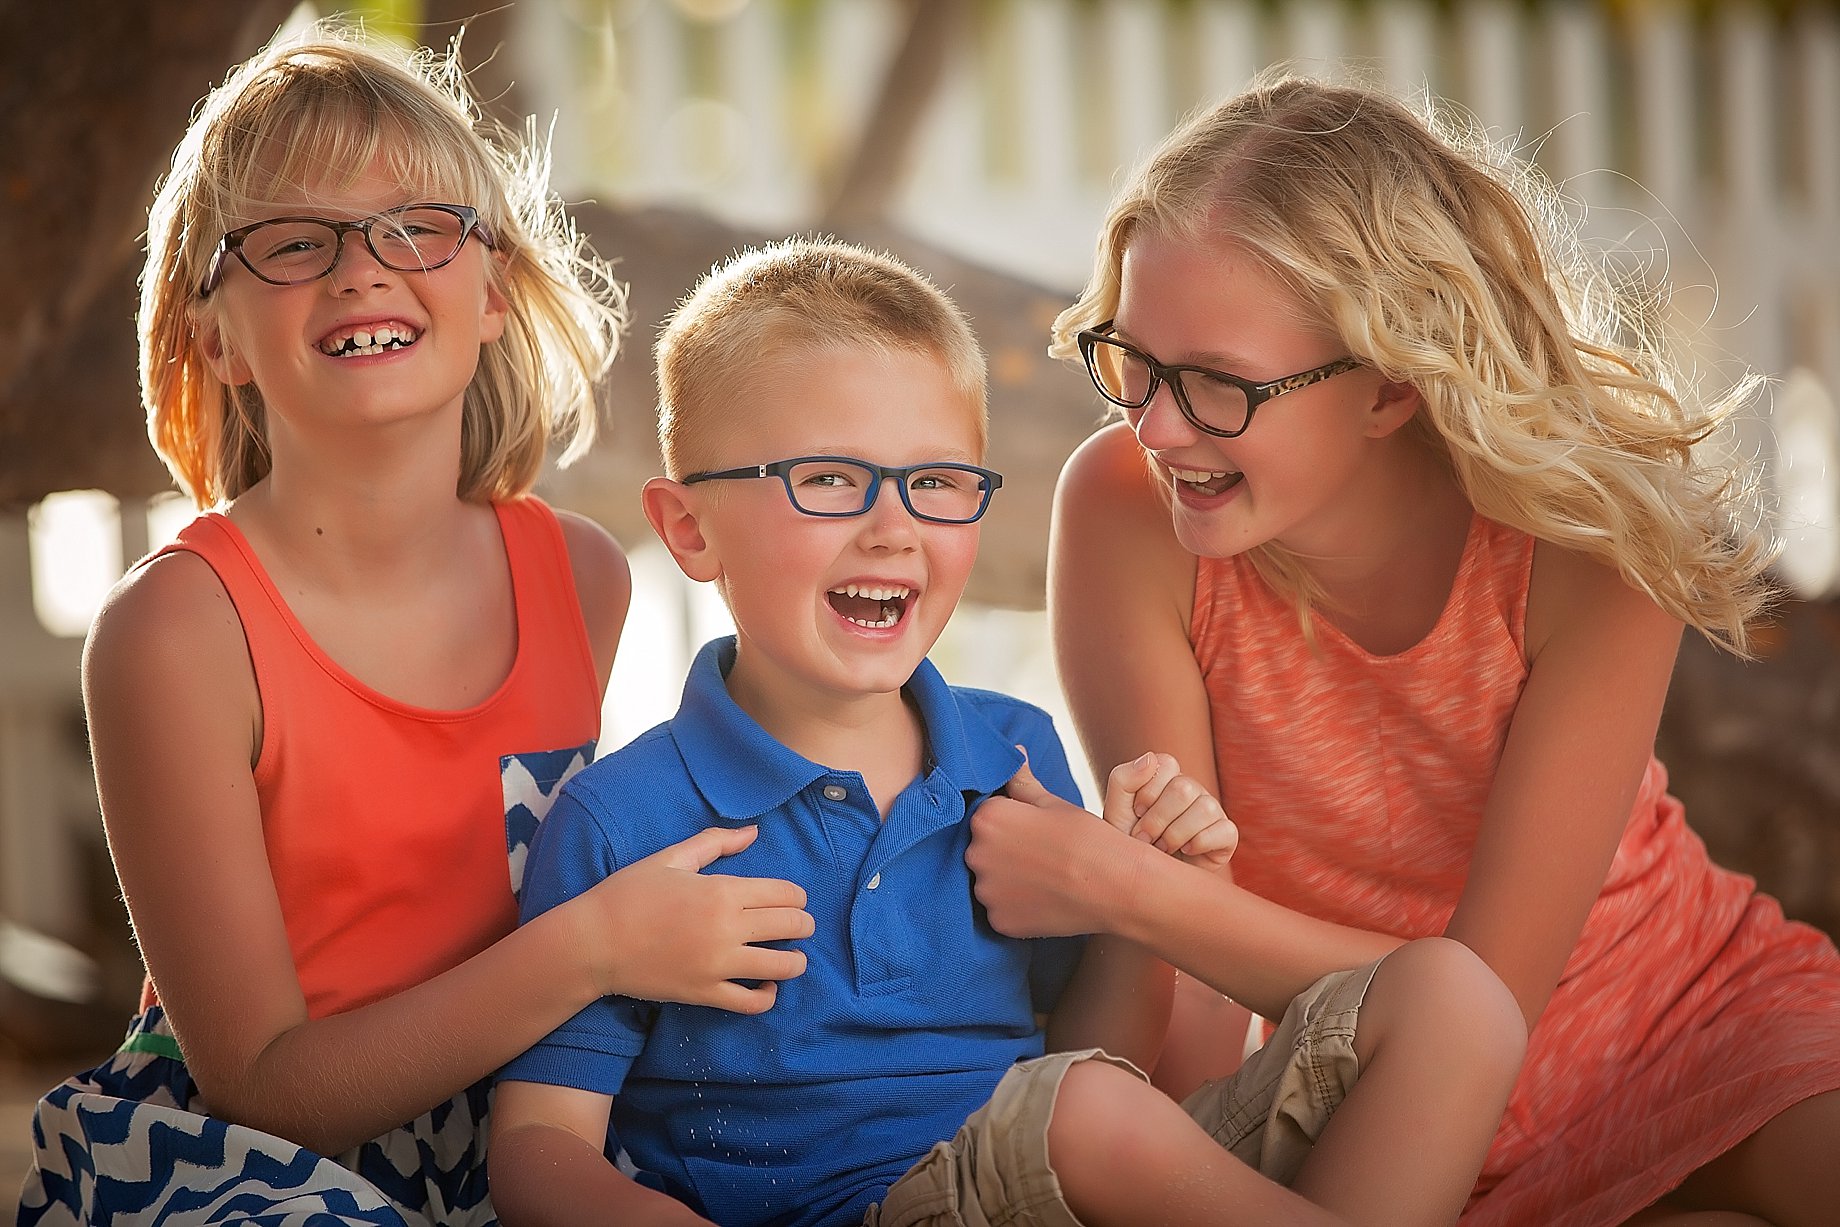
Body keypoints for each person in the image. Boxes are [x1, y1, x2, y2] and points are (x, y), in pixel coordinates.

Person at [486, 237, 1525, 1227]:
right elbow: (540, 1146)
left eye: (935, 482)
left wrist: (1133, 905)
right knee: (1082, 1115)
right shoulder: (625, 821)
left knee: (1453, 999)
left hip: (1060, 1178)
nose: (891, 527)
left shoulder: (1010, 754)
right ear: (689, 530)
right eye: (830, 480)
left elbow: (1097, 1055)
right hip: (864, 1205)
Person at [963, 70, 1840, 1227]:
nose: (1157, 425)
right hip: (1374, 1082)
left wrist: (1113, 887)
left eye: (1219, 384)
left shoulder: (1586, 549)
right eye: (1133, 360)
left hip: (1695, 1027)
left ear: (1386, 390)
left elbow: (1491, 997)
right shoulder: (1129, 513)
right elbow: (1191, 939)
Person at [17, 24, 813, 1227]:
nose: (362, 269)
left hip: (520, 1114)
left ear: (491, 290)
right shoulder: (176, 632)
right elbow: (267, 1089)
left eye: (418, 227)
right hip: (246, 1166)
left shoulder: (582, 578)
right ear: (214, 335)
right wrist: (596, 950)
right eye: (292, 242)